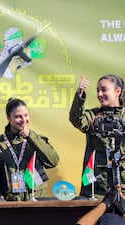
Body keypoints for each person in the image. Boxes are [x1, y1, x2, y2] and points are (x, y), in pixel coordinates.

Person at [69, 74, 125, 224]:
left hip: (122, 192)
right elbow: (77, 120)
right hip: (95, 192)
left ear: (117, 91)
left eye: (104, 90)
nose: (100, 94)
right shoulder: (93, 115)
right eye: (97, 90)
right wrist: (80, 95)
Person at [0, 98, 59, 201]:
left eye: (26, 115)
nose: (23, 120)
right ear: (8, 117)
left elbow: (53, 161)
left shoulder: (37, 140)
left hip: (36, 201)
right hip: (9, 204)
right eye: (18, 117)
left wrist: (31, 137)